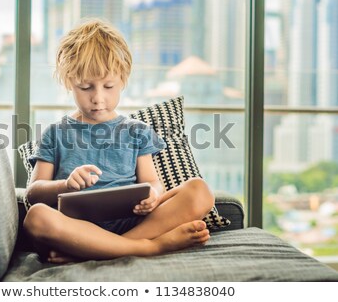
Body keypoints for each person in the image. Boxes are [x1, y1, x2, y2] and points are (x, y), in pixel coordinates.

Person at [23, 19, 215, 263]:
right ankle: (150, 248)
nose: (98, 98)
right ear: (69, 82)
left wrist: (153, 196)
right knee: (37, 217)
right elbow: (32, 194)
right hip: (77, 229)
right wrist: (66, 186)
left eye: (109, 86)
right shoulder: (55, 133)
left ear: (123, 80)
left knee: (199, 190)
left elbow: (153, 183)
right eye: (86, 87)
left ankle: (104, 249)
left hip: (132, 223)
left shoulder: (137, 131)